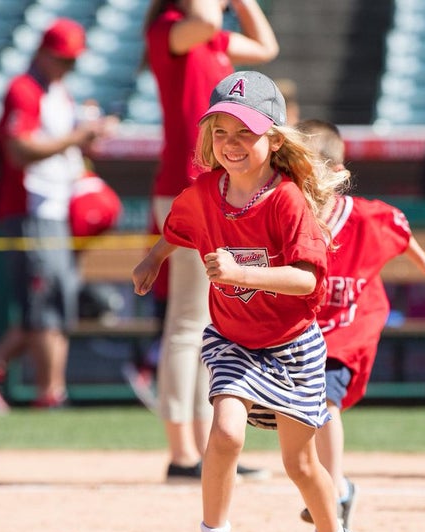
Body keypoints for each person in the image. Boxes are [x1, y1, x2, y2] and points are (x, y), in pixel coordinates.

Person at [132, 71, 358, 532]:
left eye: (246, 133)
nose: (231, 144)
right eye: (221, 131)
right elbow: (177, 227)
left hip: (293, 346)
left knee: (300, 465)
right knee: (226, 433)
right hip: (233, 337)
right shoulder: (205, 192)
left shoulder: (285, 201)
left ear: (274, 139)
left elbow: (308, 281)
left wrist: (242, 273)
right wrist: (153, 258)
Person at [295, 119, 425, 527]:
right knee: (302, 412)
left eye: (308, 171)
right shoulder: (286, 215)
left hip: (352, 322)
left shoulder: (365, 217)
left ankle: (331, 490)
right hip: (306, 328)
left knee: (323, 400)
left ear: (337, 174)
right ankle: (342, 489)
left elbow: (401, 232)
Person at [143, 0, 278, 481]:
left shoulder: (211, 37)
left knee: (209, 323)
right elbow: (205, 19)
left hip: (215, 187)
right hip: (185, 188)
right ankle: (183, 452)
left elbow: (266, 46)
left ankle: (205, 446)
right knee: (187, 321)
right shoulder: (172, 28)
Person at [0, 18, 117, 415]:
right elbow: (20, 150)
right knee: (46, 301)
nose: (68, 67)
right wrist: (76, 138)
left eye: (72, 61)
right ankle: (48, 392)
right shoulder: (24, 89)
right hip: (31, 206)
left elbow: (64, 148)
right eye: (62, 59)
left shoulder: (58, 92)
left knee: (55, 298)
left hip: (55, 205)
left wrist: (88, 139)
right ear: (43, 53)